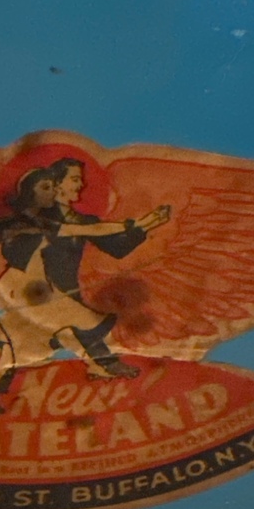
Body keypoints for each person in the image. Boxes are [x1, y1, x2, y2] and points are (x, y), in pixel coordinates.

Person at [0, 167, 151, 420]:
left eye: (53, 186)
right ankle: (99, 364)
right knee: (77, 321)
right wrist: (11, 231)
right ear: (29, 192)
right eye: (46, 187)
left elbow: (90, 230)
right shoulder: (16, 221)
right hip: (18, 292)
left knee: (18, 353)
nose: (53, 191)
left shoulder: (48, 224)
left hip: (41, 290)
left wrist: (135, 225)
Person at [41, 157, 171, 377]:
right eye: (75, 179)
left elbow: (117, 248)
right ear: (57, 183)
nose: (81, 185)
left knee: (83, 324)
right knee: (82, 324)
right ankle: (104, 364)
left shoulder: (82, 221)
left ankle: (101, 364)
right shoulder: (40, 217)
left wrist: (149, 225)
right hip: (37, 290)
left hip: (67, 289)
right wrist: (141, 223)